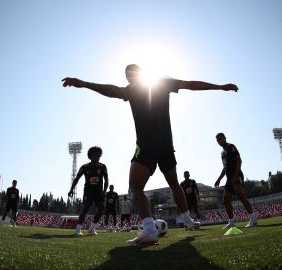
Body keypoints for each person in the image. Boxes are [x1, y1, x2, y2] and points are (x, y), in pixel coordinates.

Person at [62, 64, 238, 244]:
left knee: (135, 188)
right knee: (174, 184)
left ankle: (148, 228)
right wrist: (220, 87)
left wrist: (84, 83)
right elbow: (191, 84)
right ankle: (188, 220)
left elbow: (113, 90)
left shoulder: (132, 90)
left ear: (130, 77)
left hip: (147, 145)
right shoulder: (163, 82)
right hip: (167, 145)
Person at [214, 133, 257, 228]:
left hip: (236, 176)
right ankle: (231, 221)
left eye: (220, 139)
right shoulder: (222, 153)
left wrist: (236, 175)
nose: (219, 141)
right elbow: (224, 168)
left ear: (225, 138)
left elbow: (239, 161)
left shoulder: (231, 146)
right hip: (229, 179)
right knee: (226, 200)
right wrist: (218, 179)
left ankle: (253, 218)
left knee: (241, 197)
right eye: (217, 140)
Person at [68, 146, 108, 236]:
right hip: (88, 191)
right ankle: (78, 230)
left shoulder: (102, 167)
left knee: (102, 208)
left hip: (99, 192)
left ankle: (92, 228)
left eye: (99, 155)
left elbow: (106, 180)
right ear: (90, 156)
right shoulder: (85, 167)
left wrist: (105, 191)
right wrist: (71, 189)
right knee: (85, 209)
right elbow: (76, 178)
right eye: (95, 155)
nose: (97, 157)